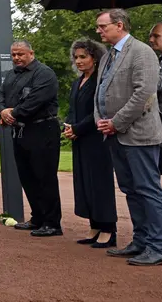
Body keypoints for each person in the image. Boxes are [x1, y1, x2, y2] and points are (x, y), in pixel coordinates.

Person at [95, 9, 162, 266]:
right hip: (114, 134)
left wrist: (116, 122)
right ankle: (141, 240)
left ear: (119, 25)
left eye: (102, 26)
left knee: (148, 190)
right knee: (131, 190)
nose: (98, 31)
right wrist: (100, 120)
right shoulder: (106, 57)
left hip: (139, 135)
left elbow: (145, 94)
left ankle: (159, 246)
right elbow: (100, 92)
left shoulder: (142, 52)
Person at [0, 40, 62, 237]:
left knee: (44, 177)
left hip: (43, 129)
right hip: (21, 131)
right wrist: (2, 110)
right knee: (27, 176)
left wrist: (11, 114)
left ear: (31, 53)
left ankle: (52, 223)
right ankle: (38, 217)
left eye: (21, 54)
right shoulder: (12, 75)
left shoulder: (44, 73)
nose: (17, 58)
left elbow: (36, 101)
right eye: (14, 55)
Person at [63, 39, 117, 248]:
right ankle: (94, 225)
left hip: (97, 139)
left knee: (100, 184)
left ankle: (108, 229)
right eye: (76, 57)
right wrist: (69, 126)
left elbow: (98, 111)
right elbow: (72, 108)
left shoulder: (100, 81)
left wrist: (78, 128)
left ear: (94, 58)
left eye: (83, 56)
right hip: (80, 139)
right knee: (84, 183)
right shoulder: (78, 82)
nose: (78, 61)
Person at [148, 22, 162, 175]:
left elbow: (160, 84)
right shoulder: (160, 60)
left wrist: (143, 70)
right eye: (150, 36)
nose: (151, 39)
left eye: (156, 36)